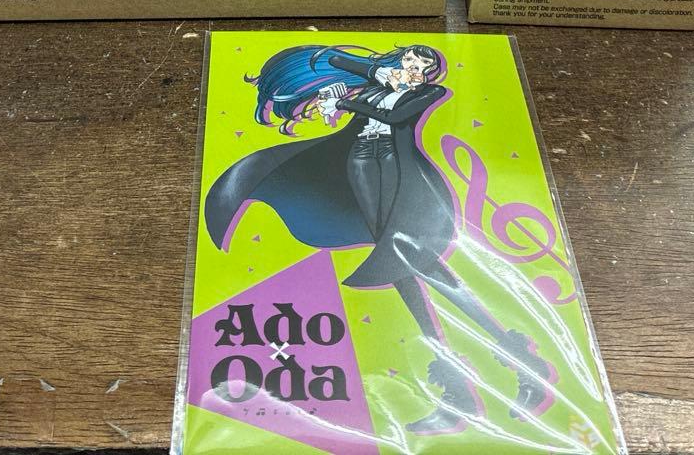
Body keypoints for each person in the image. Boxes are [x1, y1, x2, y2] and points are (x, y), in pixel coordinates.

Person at [205, 43, 553, 433]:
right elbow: (338, 61)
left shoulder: (427, 93)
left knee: (412, 260)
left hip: (397, 172)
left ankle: (519, 367)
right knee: (395, 262)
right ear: (399, 60)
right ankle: (461, 391)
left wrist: (347, 102)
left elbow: (395, 117)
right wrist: (343, 86)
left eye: (423, 67)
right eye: (410, 61)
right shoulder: (376, 83)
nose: (414, 70)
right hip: (359, 168)